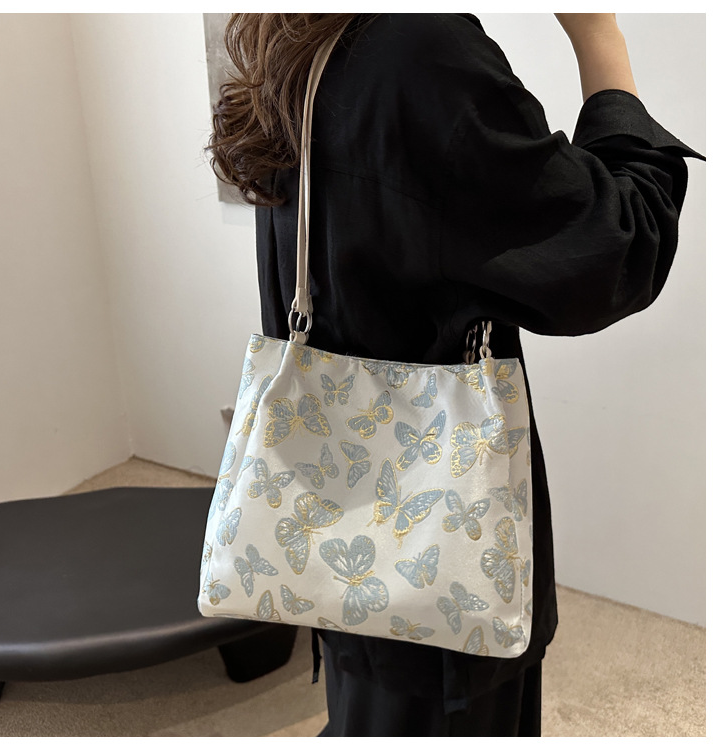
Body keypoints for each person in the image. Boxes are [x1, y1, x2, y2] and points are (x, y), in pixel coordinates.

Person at [206, 12, 705, 737]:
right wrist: (599, 36)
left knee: (370, 696)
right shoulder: (426, 51)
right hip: (437, 561)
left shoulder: (302, 31)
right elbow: (617, 249)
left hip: (332, 505)